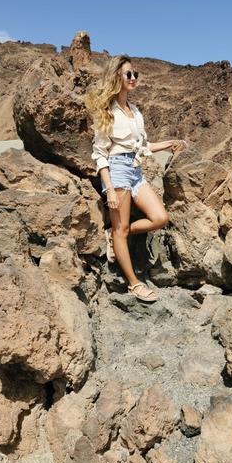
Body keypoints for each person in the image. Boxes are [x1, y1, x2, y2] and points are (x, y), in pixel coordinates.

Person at [85, 54, 188, 303]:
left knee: (160, 218)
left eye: (135, 74)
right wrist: (108, 188)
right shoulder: (107, 112)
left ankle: (117, 235)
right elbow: (99, 153)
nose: (133, 78)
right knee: (121, 230)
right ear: (116, 78)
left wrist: (169, 144)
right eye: (128, 74)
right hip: (117, 171)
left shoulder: (136, 112)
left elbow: (142, 146)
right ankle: (133, 284)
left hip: (135, 171)